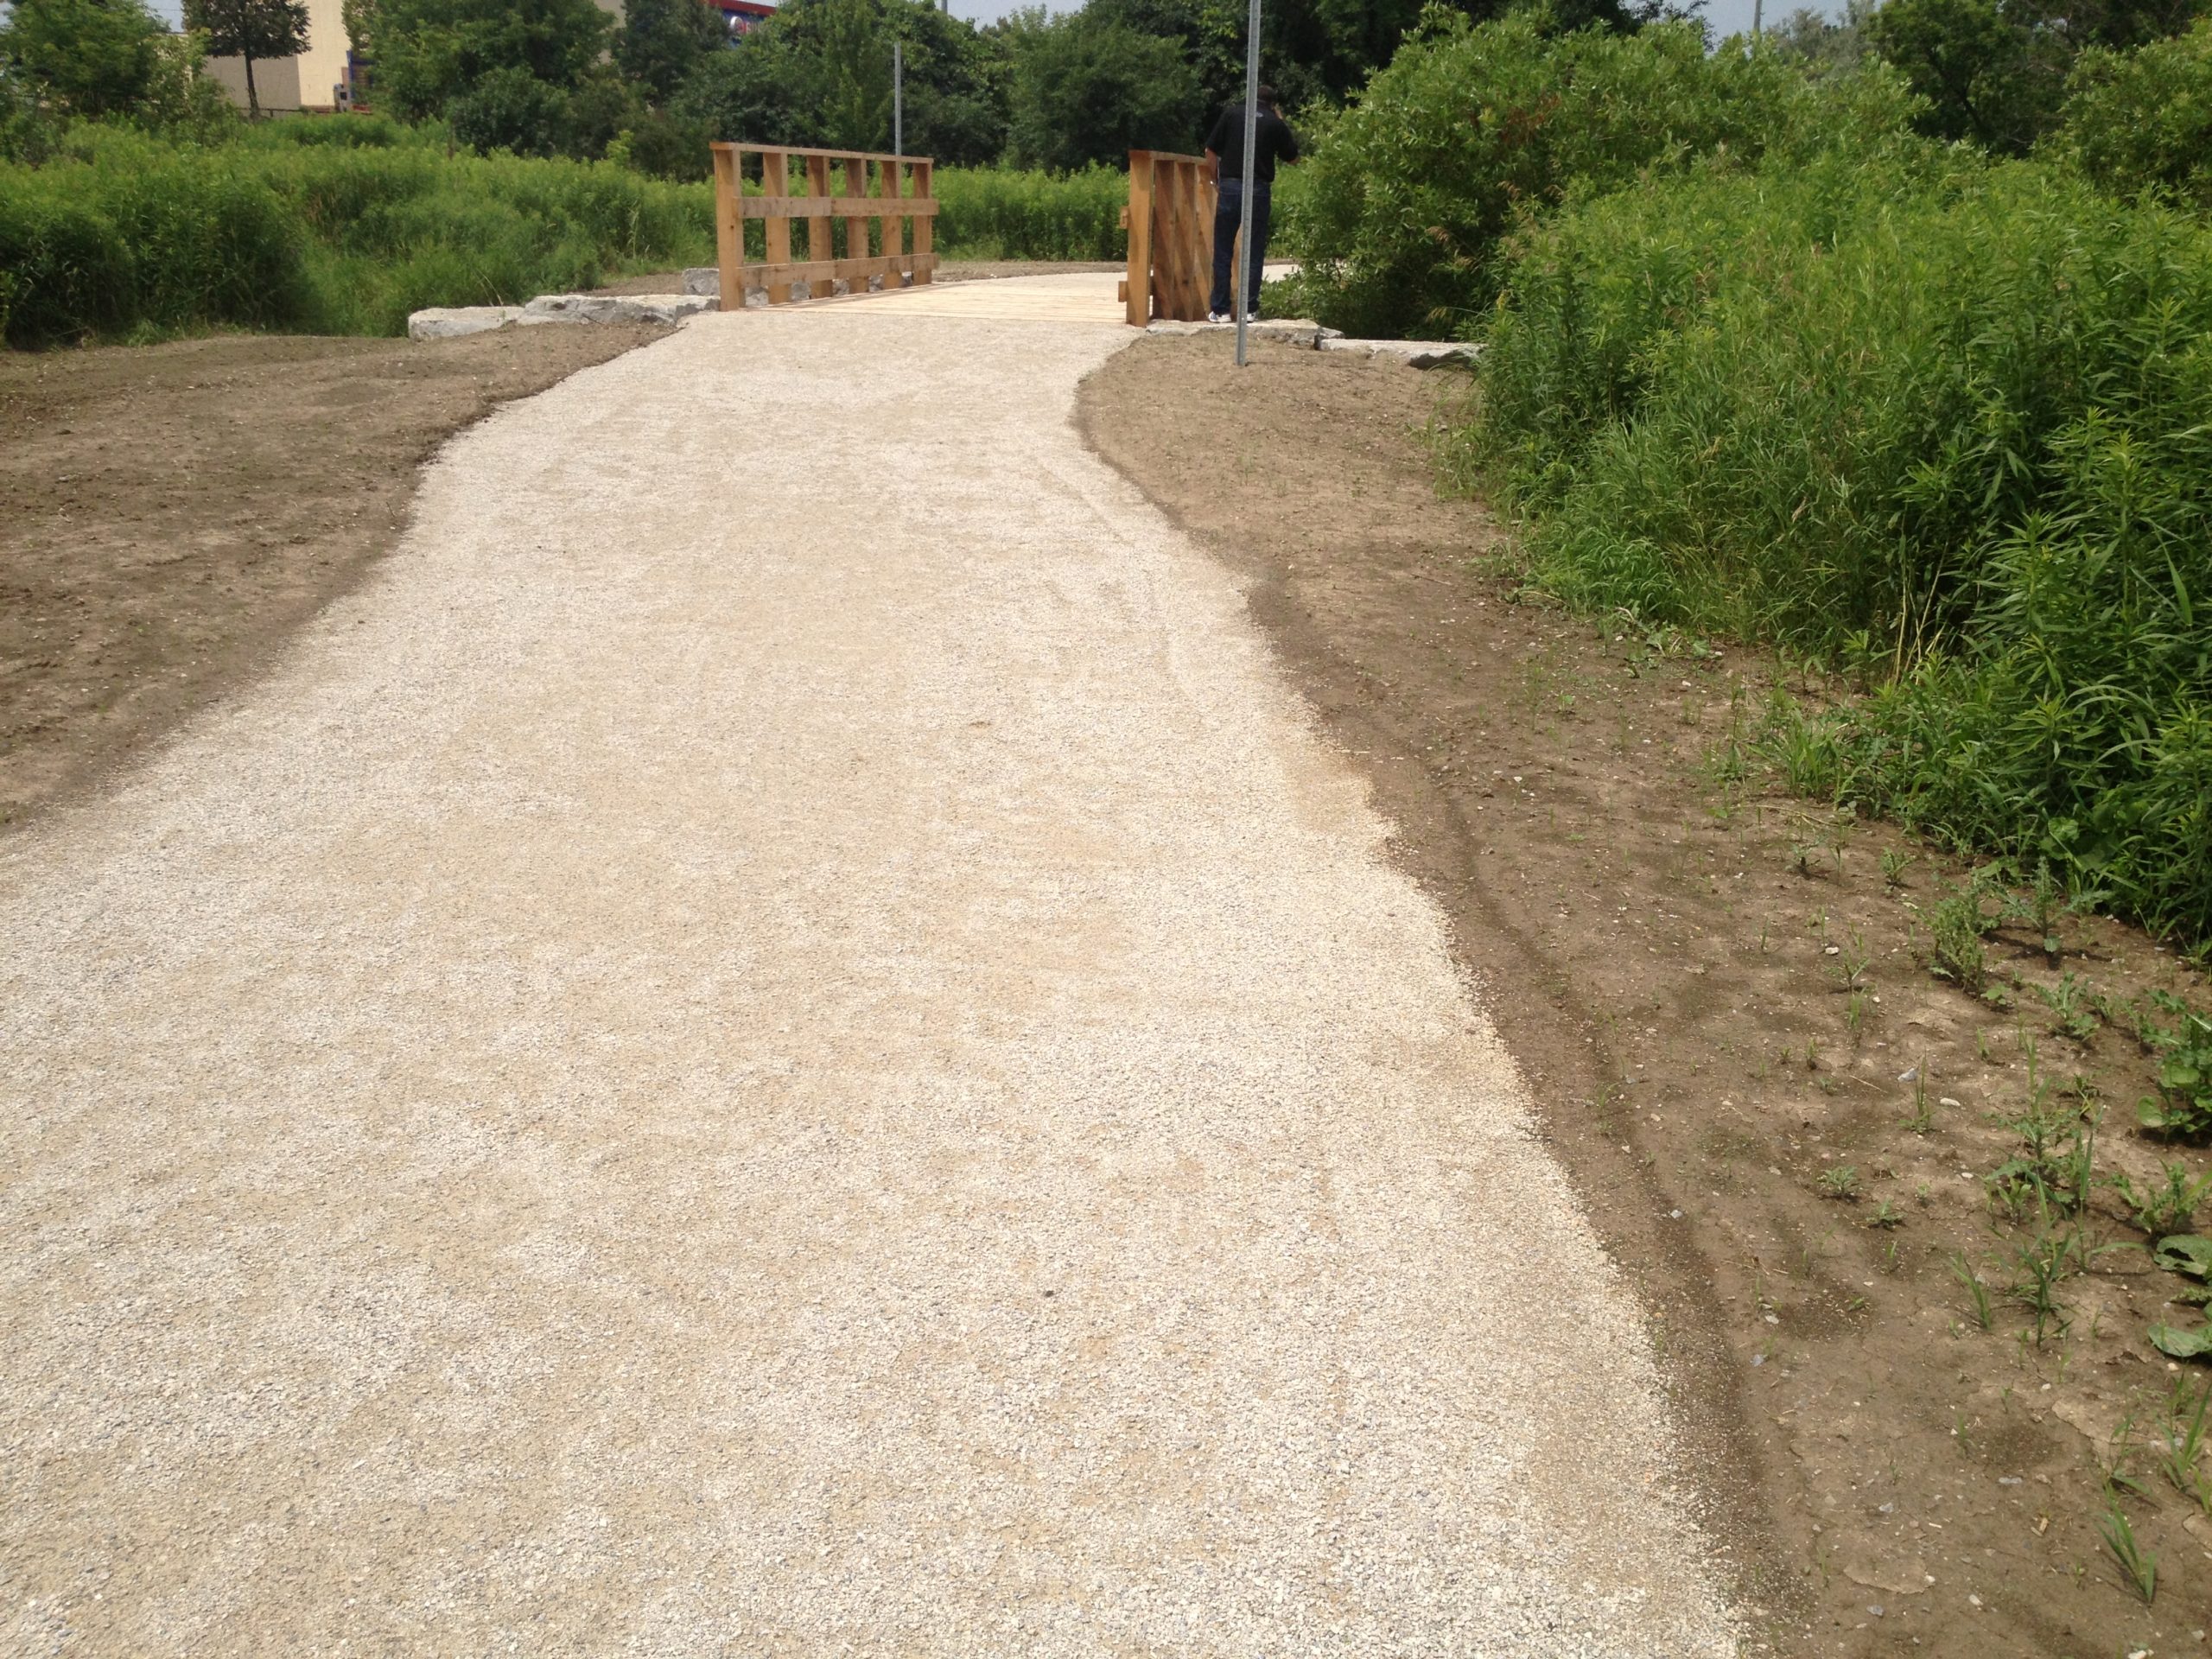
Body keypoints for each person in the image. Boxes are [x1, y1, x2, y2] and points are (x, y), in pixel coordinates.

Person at [1204, 86, 1300, 323]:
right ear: (1272, 104)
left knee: (1223, 248)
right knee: (1254, 250)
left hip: (1231, 186)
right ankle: (1249, 309)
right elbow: (1294, 158)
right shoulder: (1274, 123)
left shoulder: (1231, 114)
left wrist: (1216, 179)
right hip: (1258, 189)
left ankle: (1221, 310)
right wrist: (1280, 122)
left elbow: (1210, 150)